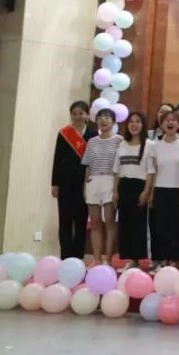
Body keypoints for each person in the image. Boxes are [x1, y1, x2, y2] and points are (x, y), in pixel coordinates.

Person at [52, 101, 97, 259]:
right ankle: (65, 257)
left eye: (81, 113)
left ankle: (77, 257)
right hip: (65, 182)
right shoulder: (64, 133)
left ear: (87, 115)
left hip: (84, 184)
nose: (77, 117)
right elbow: (57, 159)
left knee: (80, 221)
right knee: (64, 220)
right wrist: (55, 183)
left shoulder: (93, 135)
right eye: (74, 113)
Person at [150, 110, 179, 267]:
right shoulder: (155, 146)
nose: (170, 123)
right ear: (161, 125)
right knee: (160, 226)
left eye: (174, 120)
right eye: (166, 120)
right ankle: (161, 258)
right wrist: (151, 193)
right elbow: (153, 171)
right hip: (160, 189)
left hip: (178, 190)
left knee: (177, 226)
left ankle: (175, 257)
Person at [112, 111, 153, 270]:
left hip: (139, 186)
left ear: (143, 125)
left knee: (138, 225)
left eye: (137, 121)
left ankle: (139, 258)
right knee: (125, 224)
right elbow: (117, 170)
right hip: (124, 186)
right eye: (131, 121)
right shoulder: (122, 145)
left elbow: (150, 171)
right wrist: (115, 191)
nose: (134, 125)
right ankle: (130, 260)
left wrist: (146, 191)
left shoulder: (149, 145)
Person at [82, 108, 121, 265]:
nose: (103, 120)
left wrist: (116, 188)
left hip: (110, 180)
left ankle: (108, 259)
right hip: (93, 181)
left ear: (113, 121)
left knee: (110, 223)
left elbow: (120, 166)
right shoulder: (92, 141)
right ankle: (97, 259)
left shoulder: (119, 140)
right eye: (100, 118)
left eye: (107, 117)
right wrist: (85, 187)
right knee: (95, 223)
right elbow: (87, 165)